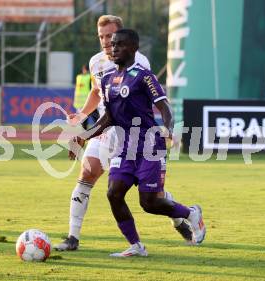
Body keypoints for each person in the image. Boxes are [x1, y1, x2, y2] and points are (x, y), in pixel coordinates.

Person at [55, 15, 194, 251]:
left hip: (132, 138)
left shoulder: (138, 62)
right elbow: (96, 93)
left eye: (110, 36)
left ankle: (180, 217)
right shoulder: (96, 62)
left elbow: (144, 99)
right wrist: (81, 118)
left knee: (150, 193)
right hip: (104, 129)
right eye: (101, 37)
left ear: (122, 37)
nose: (106, 42)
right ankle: (72, 238)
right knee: (86, 179)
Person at [74, 64, 99, 130]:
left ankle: (84, 134)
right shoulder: (90, 77)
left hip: (80, 103)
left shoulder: (78, 77)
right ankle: (100, 131)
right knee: (97, 119)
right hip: (90, 102)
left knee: (84, 120)